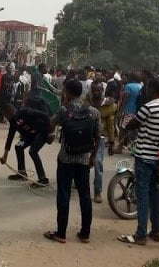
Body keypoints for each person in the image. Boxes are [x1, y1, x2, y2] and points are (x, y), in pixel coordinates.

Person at [44, 79, 100, 244]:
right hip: (84, 159)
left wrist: (50, 134)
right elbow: (98, 137)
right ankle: (85, 233)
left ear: (67, 92)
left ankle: (61, 233)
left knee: (63, 194)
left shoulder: (64, 110)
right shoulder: (93, 112)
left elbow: (50, 124)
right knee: (84, 195)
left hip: (65, 159)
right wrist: (92, 157)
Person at [117, 78, 159, 245]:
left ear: (152, 89)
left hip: (144, 154)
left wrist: (123, 130)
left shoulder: (148, 107)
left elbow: (132, 124)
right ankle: (156, 231)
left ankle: (140, 234)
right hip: (155, 155)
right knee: (153, 194)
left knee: (143, 195)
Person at [0, 104, 50, 187]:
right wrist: (5, 155)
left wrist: (50, 132)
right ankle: (22, 173)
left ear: (10, 112)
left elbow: (46, 116)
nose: (6, 117)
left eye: (6, 115)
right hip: (29, 136)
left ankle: (43, 179)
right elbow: (10, 138)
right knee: (18, 147)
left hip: (41, 133)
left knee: (33, 151)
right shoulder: (13, 122)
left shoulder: (26, 112)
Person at [85, 81, 117, 203]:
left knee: (98, 163)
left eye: (99, 90)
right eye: (94, 90)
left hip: (101, 137)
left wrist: (112, 141)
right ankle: (78, 183)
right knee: (82, 161)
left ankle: (97, 191)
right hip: (86, 135)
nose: (96, 92)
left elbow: (110, 124)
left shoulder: (109, 105)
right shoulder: (86, 101)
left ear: (102, 90)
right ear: (91, 90)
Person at [115, 72, 142, 153]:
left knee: (122, 129)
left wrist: (120, 111)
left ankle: (119, 148)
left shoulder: (128, 86)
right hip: (136, 111)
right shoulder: (140, 86)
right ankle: (134, 149)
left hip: (128, 110)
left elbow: (125, 99)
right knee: (135, 130)